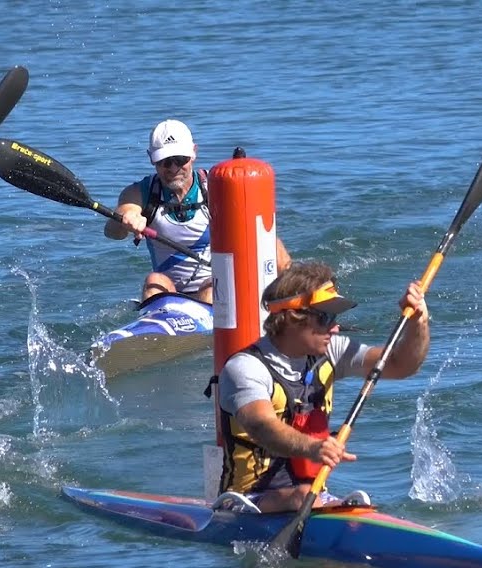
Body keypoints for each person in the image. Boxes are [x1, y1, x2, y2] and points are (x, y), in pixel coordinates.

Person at [217, 260, 429, 513]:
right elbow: (262, 426)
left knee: (357, 502)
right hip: (246, 502)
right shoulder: (245, 368)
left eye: (335, 317)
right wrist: (313, 447)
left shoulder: (331, 352)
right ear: (292, 318)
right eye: (325, 317)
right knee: (302, 496)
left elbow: (401, 365)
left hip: (312, 496)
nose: (335, 326)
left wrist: (418, 322)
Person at [104, 118, 291, 304]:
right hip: (169, 291)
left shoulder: (216, 189)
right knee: (153, 281)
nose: (174, 168)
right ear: (152, 158)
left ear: (193, 153)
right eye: (165, 161)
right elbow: (113, 230)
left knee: (213, 286)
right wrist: (126, 219)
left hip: (213, 284)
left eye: (180, 159)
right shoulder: (139, 192)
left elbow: (263, 234)